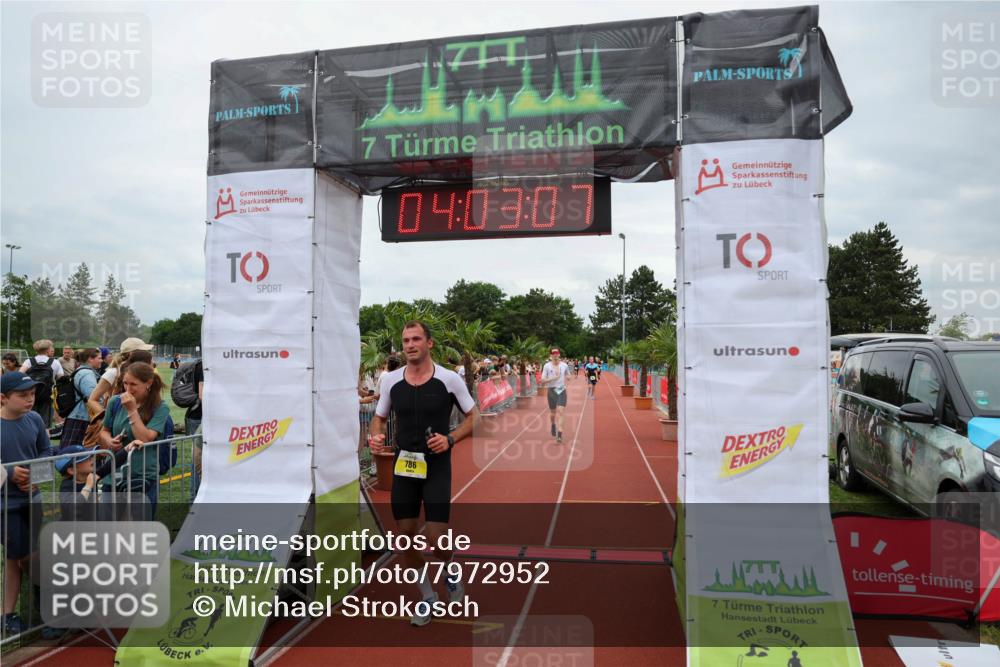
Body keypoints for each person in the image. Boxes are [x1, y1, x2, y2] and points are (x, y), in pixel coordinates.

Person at [369, 321, 477, 626]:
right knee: (404, 539)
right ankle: (428, 598)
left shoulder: (449, 379)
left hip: (436, 466)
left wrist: (451, 438)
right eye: (405, 340)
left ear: (429, 343)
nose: (410, 345)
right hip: (405, 466)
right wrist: (375, 436)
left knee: (436, 538)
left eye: (416, 339)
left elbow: (474, 417)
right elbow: (379, 418)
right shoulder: (390, 380)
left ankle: (450, 570)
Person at [1, 371, 53, 635]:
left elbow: (46, 451)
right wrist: (9, 473)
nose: (30, 400)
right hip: (5, 506)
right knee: (28, 557)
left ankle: (7, 615)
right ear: (2, 398)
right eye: (23, 395)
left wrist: (36, 475)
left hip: (32, 499)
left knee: (14, 559)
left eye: (32, 394)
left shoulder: (34, 419)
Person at [97, 362, 170, 514]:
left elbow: (145, 438)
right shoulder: (115, 401)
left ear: (148, 384)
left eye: (133, 384)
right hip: (113, 474)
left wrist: (132, 410)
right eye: (125, 383)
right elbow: (104, 431)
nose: (128, 389)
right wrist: (110, 440)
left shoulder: (160, 407)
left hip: (142, 476)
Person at [87, 338, 154, 414]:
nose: (147, 354)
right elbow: (92, 400)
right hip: (119, 420)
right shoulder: (114, 372)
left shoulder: (146, 372)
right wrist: (107, 420)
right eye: (144, 351)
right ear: (131, 354)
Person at [59, 348, 102, 449]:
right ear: (90, 359)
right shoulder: (87, 374)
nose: (101, 360)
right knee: (73, 454)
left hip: (76, 416)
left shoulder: (81, 371)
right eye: (99, 358)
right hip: (81, 418)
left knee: (70, 453)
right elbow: (93, 397)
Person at [20, 339, 65, 427]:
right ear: (48, 349)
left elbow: (19, 375)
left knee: (29, 423)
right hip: (47, 397)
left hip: (30, 395)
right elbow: (61, 380)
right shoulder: (55, 363)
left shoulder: (29, 362)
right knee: (45, 426)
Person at [539, 348, 570, 443]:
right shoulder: (547, 366)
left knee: (561, 411)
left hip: (561, 390)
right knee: (553, 413)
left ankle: (559, 434)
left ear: (559, 354)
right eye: (553, 354)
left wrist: (568, 377)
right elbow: (543, 380)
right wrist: (554, 378)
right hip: (551, 390)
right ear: (551, 355)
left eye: (557, 353)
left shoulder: (564, 365)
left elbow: (568, 375)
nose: (555, 355)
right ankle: (553, 424)